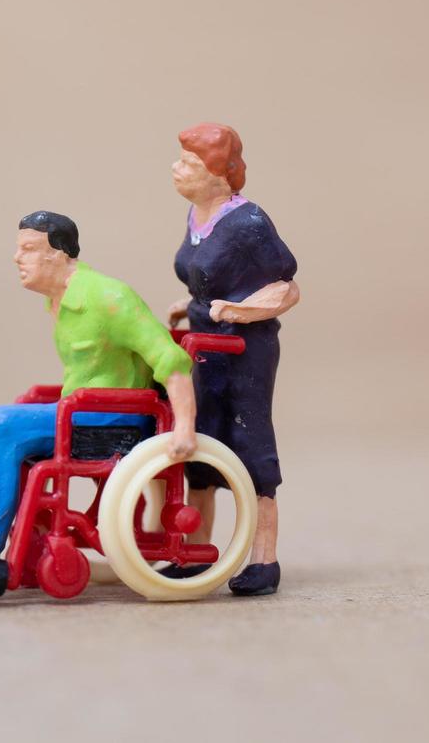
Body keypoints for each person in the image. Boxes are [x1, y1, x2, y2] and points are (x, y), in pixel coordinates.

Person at [0, 211, 197, 570]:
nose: (18, 258)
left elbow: (170, 360)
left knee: (1, 426)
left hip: (113, 421)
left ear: (59, 254)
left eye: (29, 249)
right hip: (81, 411)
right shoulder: (57, 302)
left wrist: (185, 426)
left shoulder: (109, 297)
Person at [166, 123, 299, 596]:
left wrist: (239, 312)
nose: (176, 170)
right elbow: (205, 278)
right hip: (204, 348)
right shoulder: (195, 214)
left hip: (246, 351)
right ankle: (194, 553)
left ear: (220, 175)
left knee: (251, 445)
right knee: (199, 446)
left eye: (188, 164)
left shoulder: (249, 223)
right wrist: (191, 306)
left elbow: (286, 287)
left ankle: (264, 561)